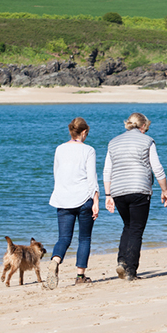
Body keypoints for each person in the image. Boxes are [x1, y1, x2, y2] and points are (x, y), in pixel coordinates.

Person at [103, 113, 167, 281]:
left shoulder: (113, 142)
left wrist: (107, 194)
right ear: (143, 126)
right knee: (136, 229)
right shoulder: (147, 141)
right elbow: (157, 167)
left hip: (118, 191)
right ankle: (130, 269)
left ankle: (122, 260)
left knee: (128, 226)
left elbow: (107, 171)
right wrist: (165, 191)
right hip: (139, 189)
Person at [47, 117, 99, 289]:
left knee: (64, 238)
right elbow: (92, 178)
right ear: (84, 132)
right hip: (84, 198)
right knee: (84, 238)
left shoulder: (59, 149)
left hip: (63, 198)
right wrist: (96, 200)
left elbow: (57, 173)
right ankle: (80, 276)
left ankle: (55, 260)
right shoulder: (88, 150)